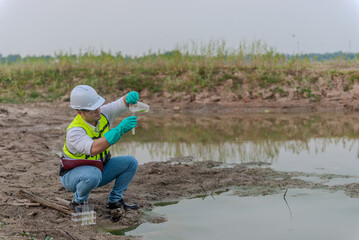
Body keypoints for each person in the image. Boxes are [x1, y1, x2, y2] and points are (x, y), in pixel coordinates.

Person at [59, 85, 139, 212]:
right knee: (93, 175)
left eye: (98, 106)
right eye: (92, 109)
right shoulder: (74, 131)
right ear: (80, 112)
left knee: (130, 163)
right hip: (73, 176)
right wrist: (119, 130)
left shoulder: (101, 114)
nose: (98, 111)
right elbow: (93, 149)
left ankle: (115, 201)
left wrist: (128, 98)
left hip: (99, 168)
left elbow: (119, 104)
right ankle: (79, 202)